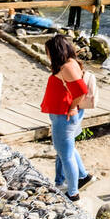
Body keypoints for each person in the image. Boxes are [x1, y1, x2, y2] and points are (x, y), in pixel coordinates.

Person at [40, 34, 91, 201]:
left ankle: (73, 192)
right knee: (68, 149)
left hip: (64, 115)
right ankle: (83, 176)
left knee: (65, 154)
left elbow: (81, 90)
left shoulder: (67, 67)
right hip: (61, 114)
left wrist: (72, 107)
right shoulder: (69, 63)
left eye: (48, 52)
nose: (47, 55)